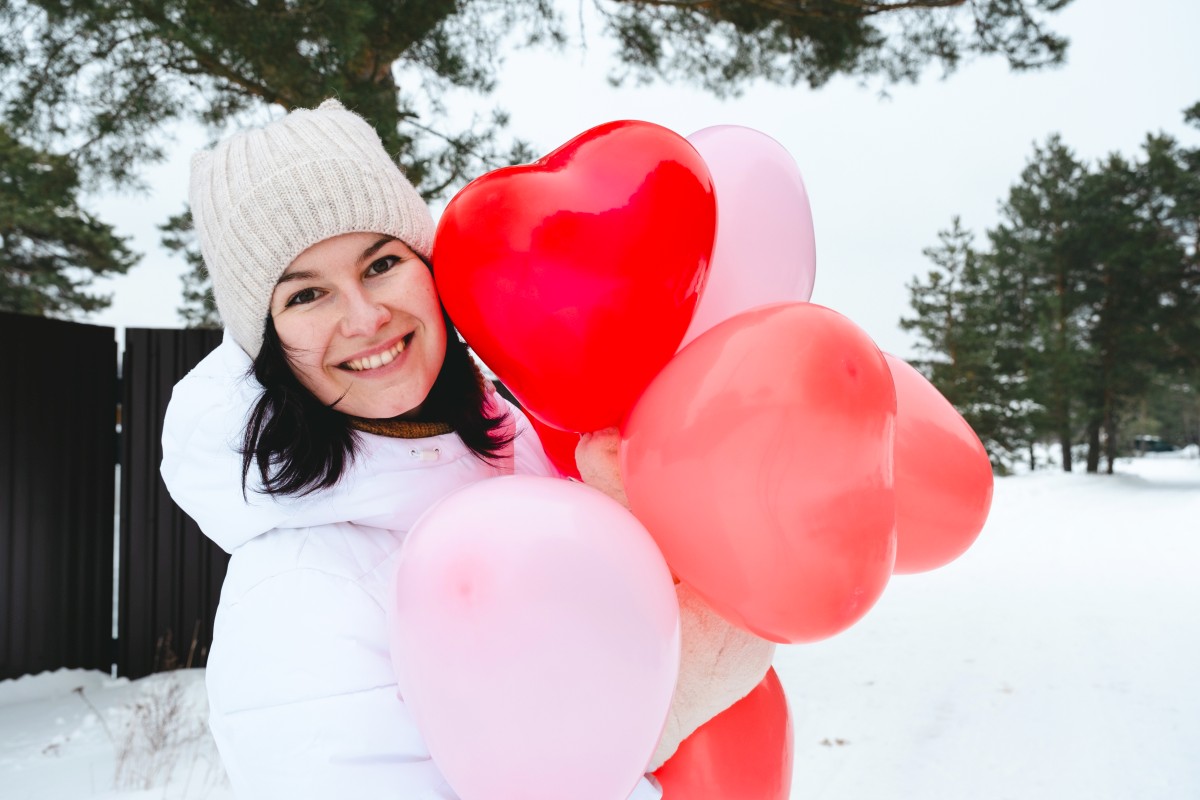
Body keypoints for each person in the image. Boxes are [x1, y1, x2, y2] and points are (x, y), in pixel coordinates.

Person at [161, 99, 771, 799]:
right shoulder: (293, 593)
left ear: (430, 268)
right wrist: (665, 708)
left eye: (381, 263)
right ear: (268, 345)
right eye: (306, 297)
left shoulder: (530, 454)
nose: (364, 318)